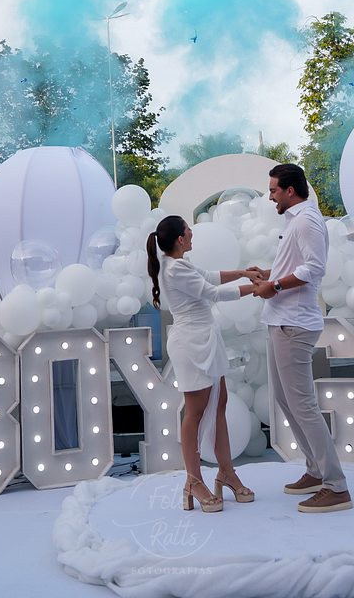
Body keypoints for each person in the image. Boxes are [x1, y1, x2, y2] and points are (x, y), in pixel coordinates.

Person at [253, 163, 353, 513]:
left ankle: (336, 486)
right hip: (281, 320)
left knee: (303, 405)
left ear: (290, 191)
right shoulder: (296, 220)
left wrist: (276, 286)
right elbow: (296, 265)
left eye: (273, 190)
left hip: (294, 324)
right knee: (285, 400)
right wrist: (270, 275)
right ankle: (315, 470)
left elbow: (314, 269)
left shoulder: (307, 221)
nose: (270, 197)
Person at [146, 214, 263, 513]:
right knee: (195, 412)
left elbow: (210, 276)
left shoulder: (180, 264)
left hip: (206, 340)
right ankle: (193, 481)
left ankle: (226, 472)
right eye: (188, 229)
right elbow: (211, 293)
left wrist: (243, 273)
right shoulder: (174, 269)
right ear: (180, 239)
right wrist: (255, 289)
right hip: (191, 344)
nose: (192, 232)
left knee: (219, 404)